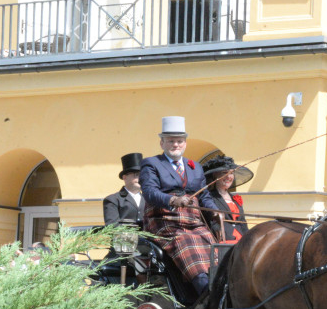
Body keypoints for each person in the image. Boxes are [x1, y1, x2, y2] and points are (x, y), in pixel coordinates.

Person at [139, 116, 217, 299]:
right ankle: (206, 293)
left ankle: (220, 284)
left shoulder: (195, 167)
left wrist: (214, 211)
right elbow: (149, 192)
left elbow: (204, 195)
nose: (176, 145)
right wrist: (173, 201)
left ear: (185, 143)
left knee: (213, 245)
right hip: (164, 222)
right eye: (171, 141)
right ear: (162, 143)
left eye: (179, 141)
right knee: (186, 242)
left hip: (193, 222)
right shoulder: (151, 164)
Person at [201, 155, 253, 243]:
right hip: (222, 241)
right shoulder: (209, 198)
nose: (229, 177)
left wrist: (248, 241)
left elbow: (243, 224)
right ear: (215, 175)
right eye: (224, 173)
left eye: (231, 173)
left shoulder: (235, 198)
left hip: (241, 242)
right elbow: (211, 222)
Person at [103, 153, 145, 227]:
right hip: (124, 238)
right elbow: (112, 226)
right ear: (125, 177)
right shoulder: (113, 200)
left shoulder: (148, 199)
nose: (140, 178)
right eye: (136, 175)